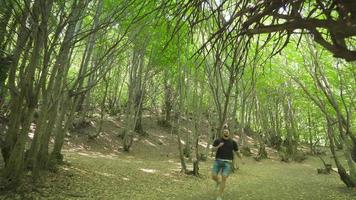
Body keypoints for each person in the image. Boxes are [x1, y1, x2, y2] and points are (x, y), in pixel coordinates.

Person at [211, 125, 242, 200]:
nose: (226, 133)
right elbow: (212, 150)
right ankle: (218, 182)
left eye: (227, 132)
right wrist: (218, 146)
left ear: (229, 133)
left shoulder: (233, 142)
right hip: (218, 161)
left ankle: (219, 196)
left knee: (224, 178)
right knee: (213, 176)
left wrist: (241, 158)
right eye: (224, 132)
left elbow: (237, 152)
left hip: (227, 163)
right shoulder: (218, 140)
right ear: (222, 133)